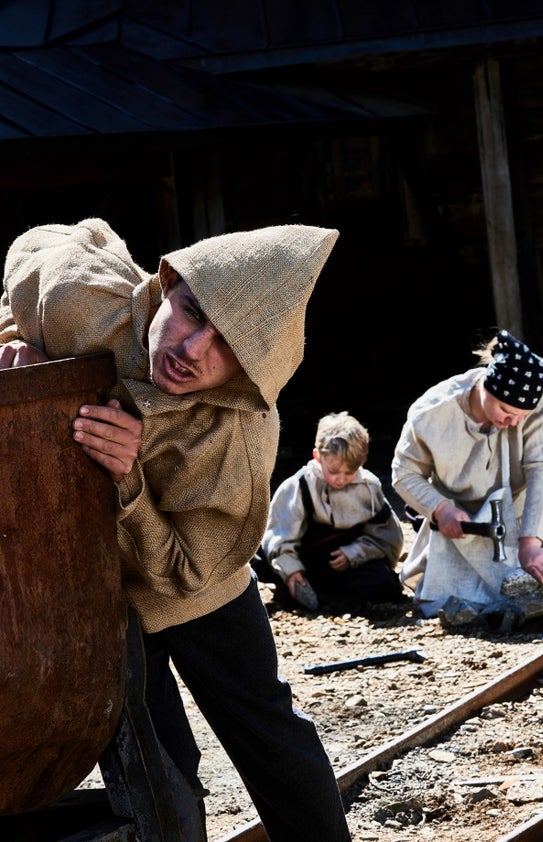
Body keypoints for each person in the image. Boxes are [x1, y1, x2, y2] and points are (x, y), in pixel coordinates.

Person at [0, 218, 353, 842]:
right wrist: (18, 354)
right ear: (166, 285)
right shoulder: (84, 301)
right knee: (161, 773)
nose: (191, 348)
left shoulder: (240, 438)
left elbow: (189, 565)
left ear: (251, 372)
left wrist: (128, 482)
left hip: (197, 585)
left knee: (270, 737)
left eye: (227, 347)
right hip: (98, 585)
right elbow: (38, 246)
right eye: (190, 311)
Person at [391, 328, 543, 623]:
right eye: (506, 411)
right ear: (486, 387)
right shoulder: (431, 411)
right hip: (462, 520)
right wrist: (440, 509)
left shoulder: (541, 402)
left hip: (524, 510)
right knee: (452, 599)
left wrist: (531, 542)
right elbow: (403, 472)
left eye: (522, 417)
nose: (513, 422)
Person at [254, 410, 406, 610]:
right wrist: (292, 572)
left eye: (350, 472)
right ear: (318, 456)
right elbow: (279, 537)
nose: (340, 479)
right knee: (260, 559)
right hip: (307, 558)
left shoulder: (369, 487)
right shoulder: (299, 485)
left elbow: (387, 538)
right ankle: (293, 587)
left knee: (384, 587)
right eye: (334, 471)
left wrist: (354, 554)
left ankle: (329, 596)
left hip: (349, 561)